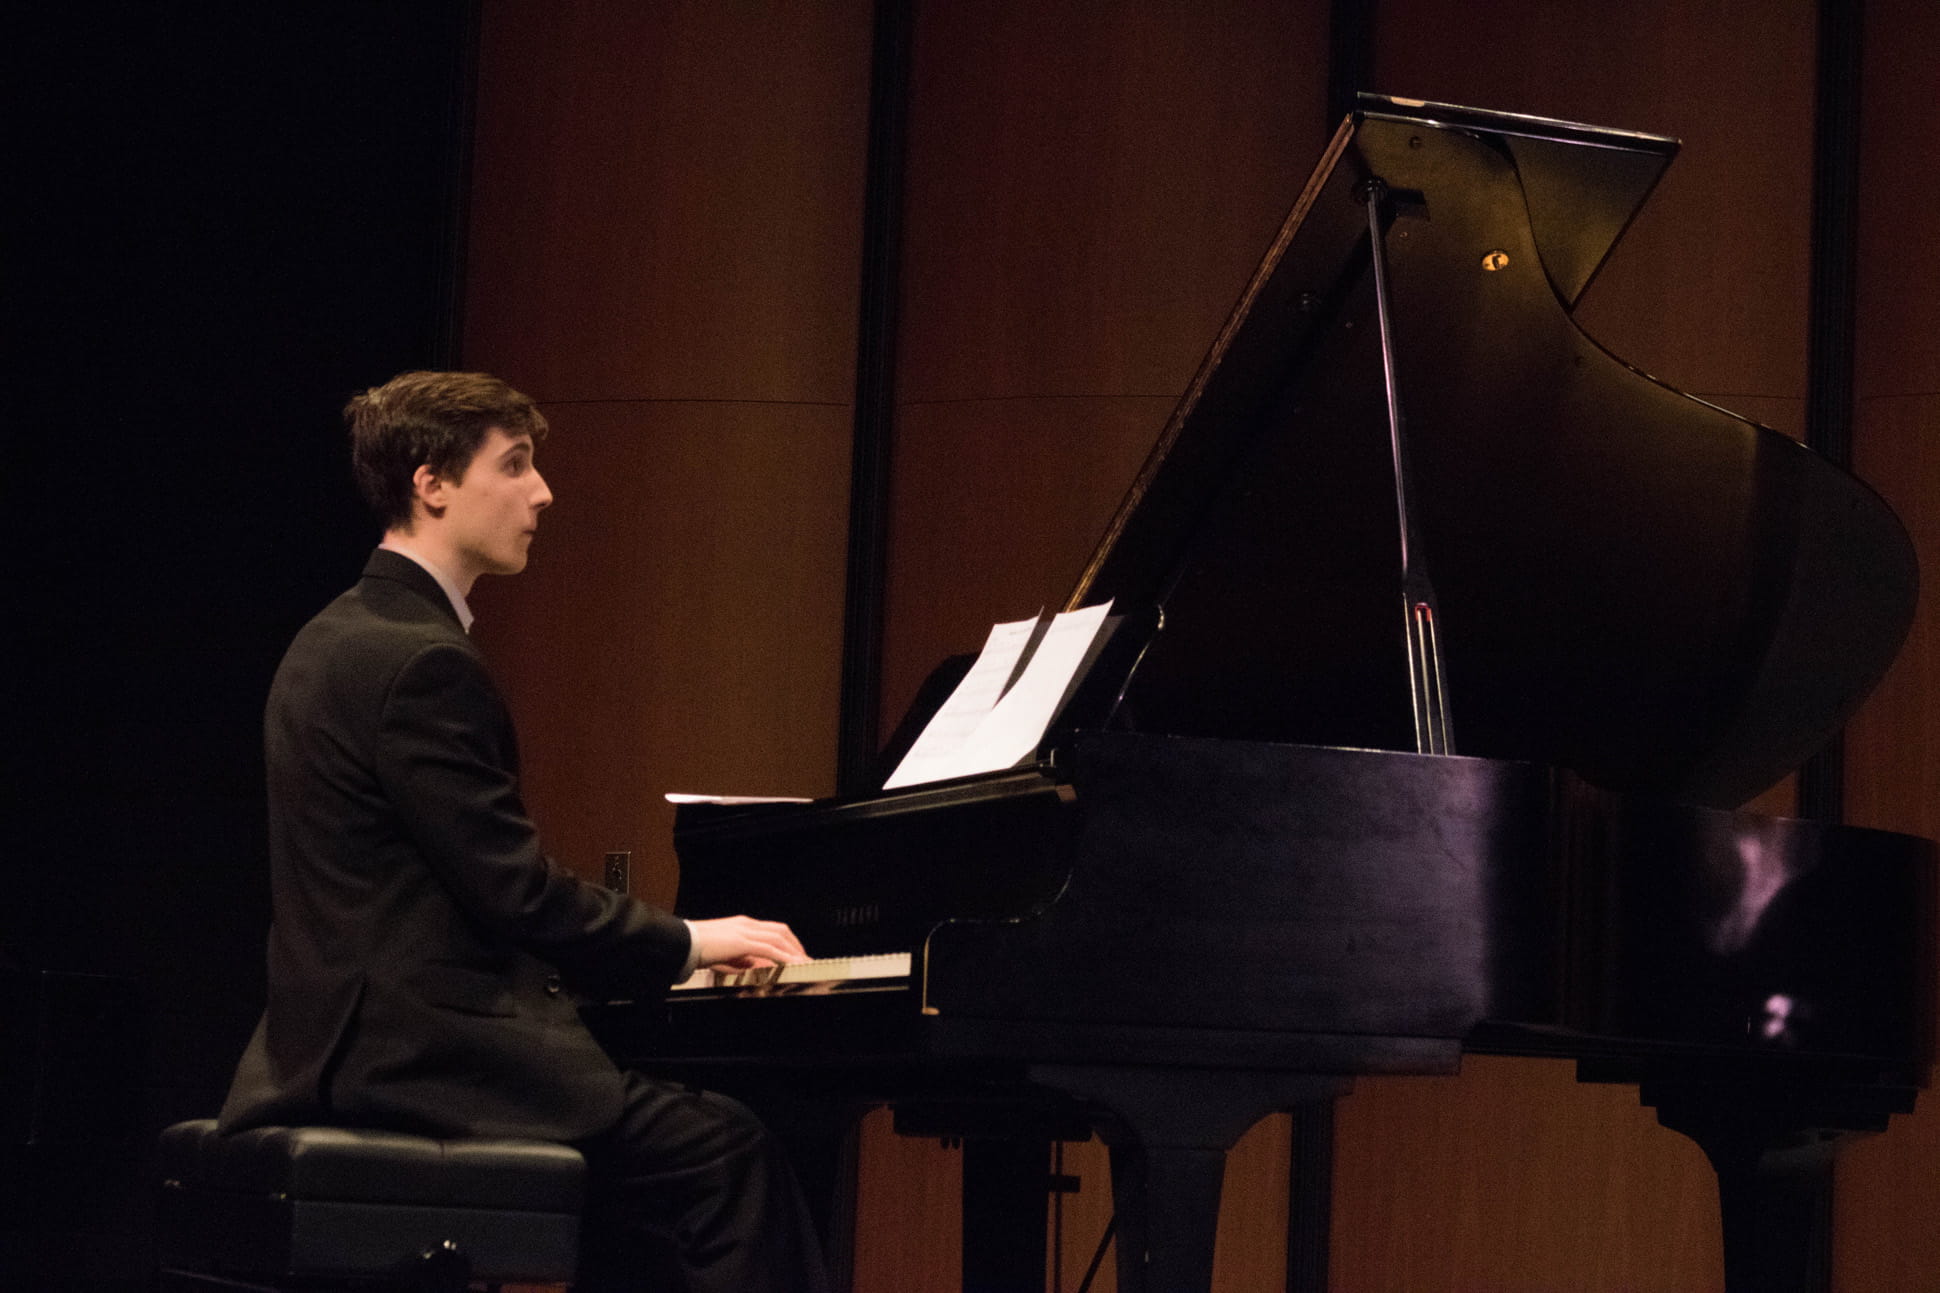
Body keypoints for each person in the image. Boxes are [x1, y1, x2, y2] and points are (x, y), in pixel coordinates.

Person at [219, 370, 828, 1292]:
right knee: (727, 1154)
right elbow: (516, 891)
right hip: (418, 1062)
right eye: (515, 465)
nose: (541, 491)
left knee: (656, 1157)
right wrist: (693, 938)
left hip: (335, 1048)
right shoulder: (423, 660)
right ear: (431, 484)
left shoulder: (335, 634)